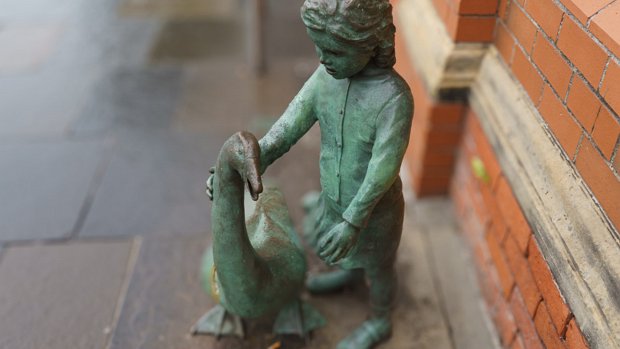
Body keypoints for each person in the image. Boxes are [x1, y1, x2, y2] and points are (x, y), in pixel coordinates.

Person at [257, 0, 414, 347]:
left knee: (379, 267)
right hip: (334, 198)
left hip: (374, 216)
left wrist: (354, 222)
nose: (323, 58)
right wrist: (258, 156)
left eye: (334, 51)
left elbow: (383, 167)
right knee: (346, 254)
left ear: (370, 43)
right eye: (318, 47)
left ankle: (380, 319)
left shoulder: (394, 98)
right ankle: (347, 275)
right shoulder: (324, 78)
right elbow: (289, 123)